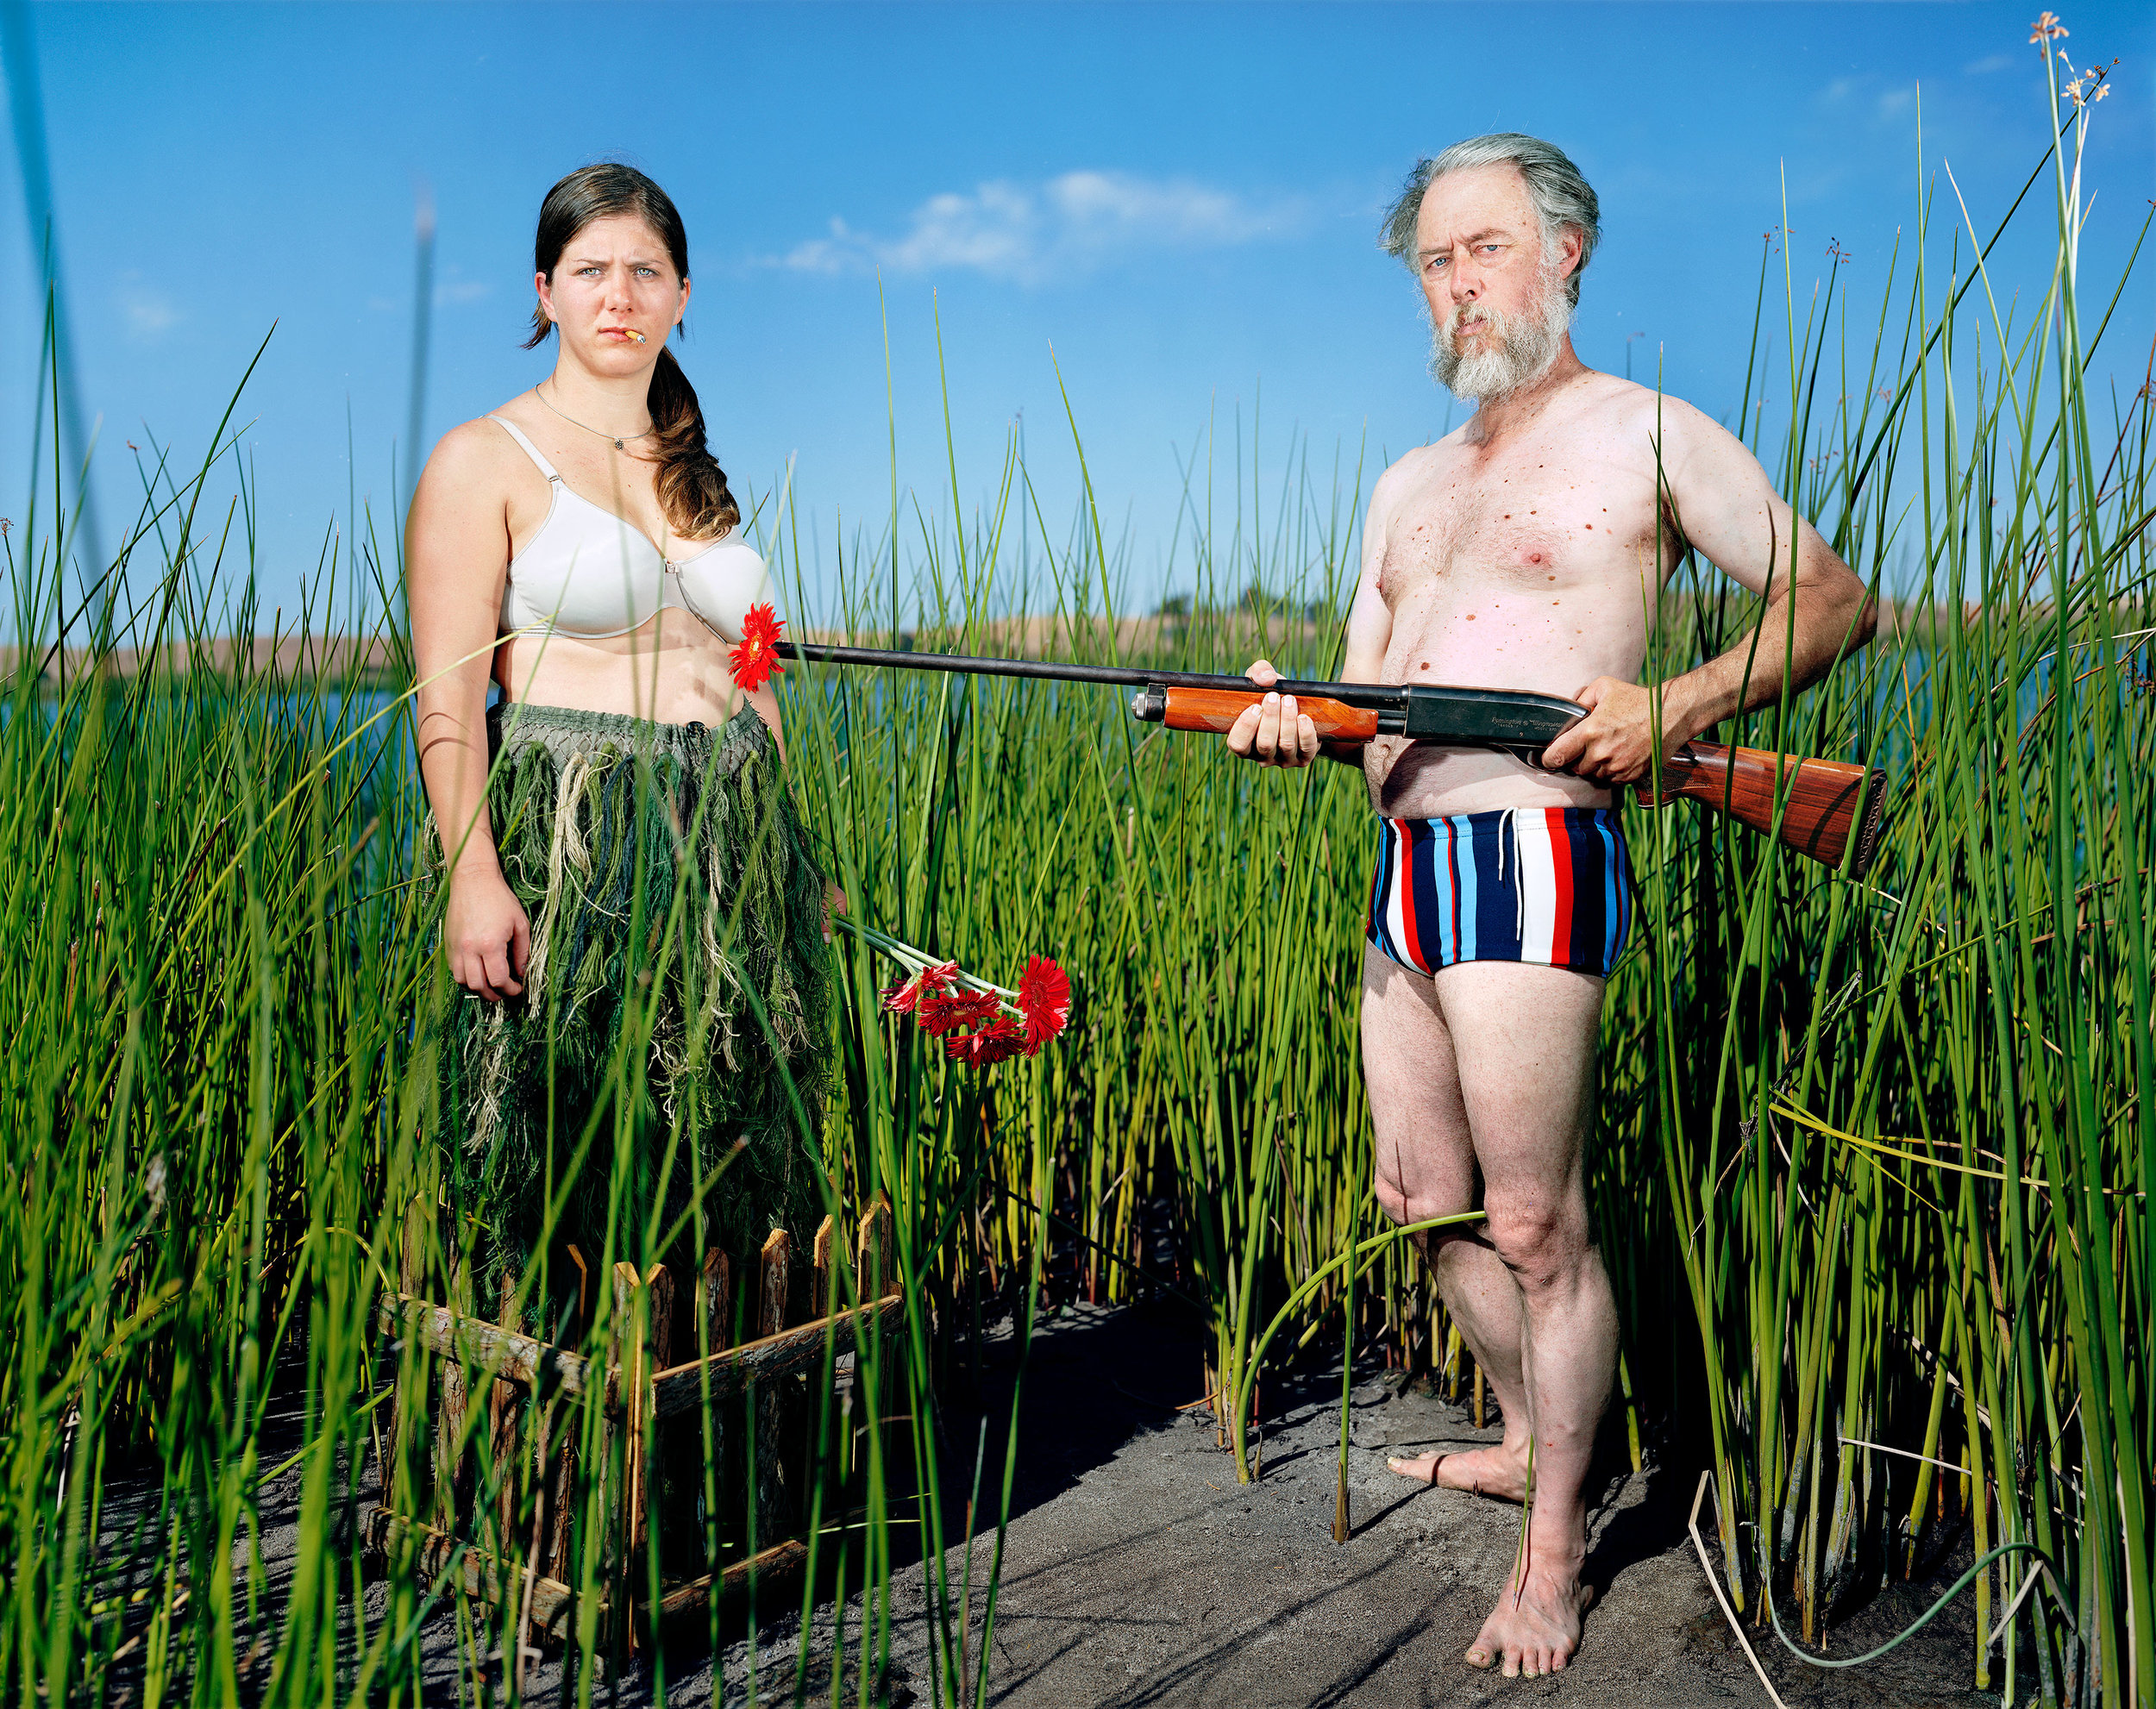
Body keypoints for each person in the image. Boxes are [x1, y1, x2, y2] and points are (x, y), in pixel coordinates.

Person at [1225, 134, 1874, 1680]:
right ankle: (1526, 1434)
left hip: (1536, 845)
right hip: (1403, 867)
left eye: (1486, 248)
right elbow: (1360, 701)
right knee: (1420, 1200)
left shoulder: (1645, 434)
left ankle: (1557, 1546)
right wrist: (1281, 714)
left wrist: (1677, 703)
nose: (1459, 283)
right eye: (1436, 261)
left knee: (1532, 1219)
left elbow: (1835, 598)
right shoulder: (1406, 484)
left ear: (1566, 251)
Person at [405, 162, 836, 1311]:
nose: (619, 295)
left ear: (683, 294)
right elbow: (444, 699)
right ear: (544, 291)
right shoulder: (481, 459)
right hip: (586, 849)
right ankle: (576, 1468)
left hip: (731, 848)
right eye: (591, 270)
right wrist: (472, 875)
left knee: (731, 1164)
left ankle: (719, 1464)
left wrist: (800, 858)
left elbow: (756, 678)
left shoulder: (698, 478)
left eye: (646, 271)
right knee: (576, 1177)